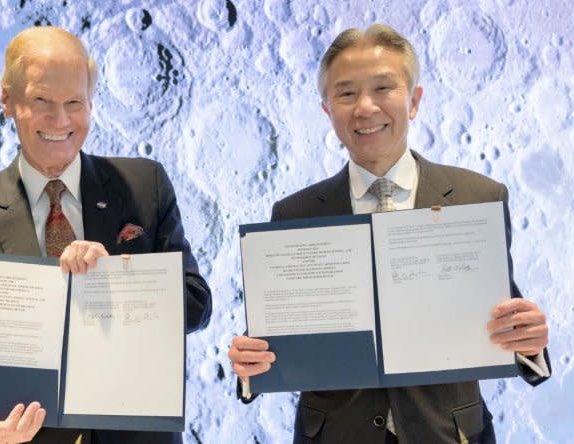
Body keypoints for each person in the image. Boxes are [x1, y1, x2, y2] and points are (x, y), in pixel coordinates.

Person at [228, 24, 550, 443]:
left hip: (450, 434)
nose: (365, 107)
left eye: (383, 88)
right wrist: (250, 365)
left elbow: (501, 315)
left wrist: (530, 342)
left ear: (414, 100)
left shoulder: (478, 198)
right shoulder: (295, 213)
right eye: (346, 94)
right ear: (327, 110)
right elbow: (277, 337)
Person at [0, 26, 212, 444]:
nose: (60, 121)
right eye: (41, 101)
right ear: (8, 100)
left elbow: (196, 306)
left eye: (74, 103)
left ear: (91, 104)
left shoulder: (145, 184)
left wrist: (118, 279)